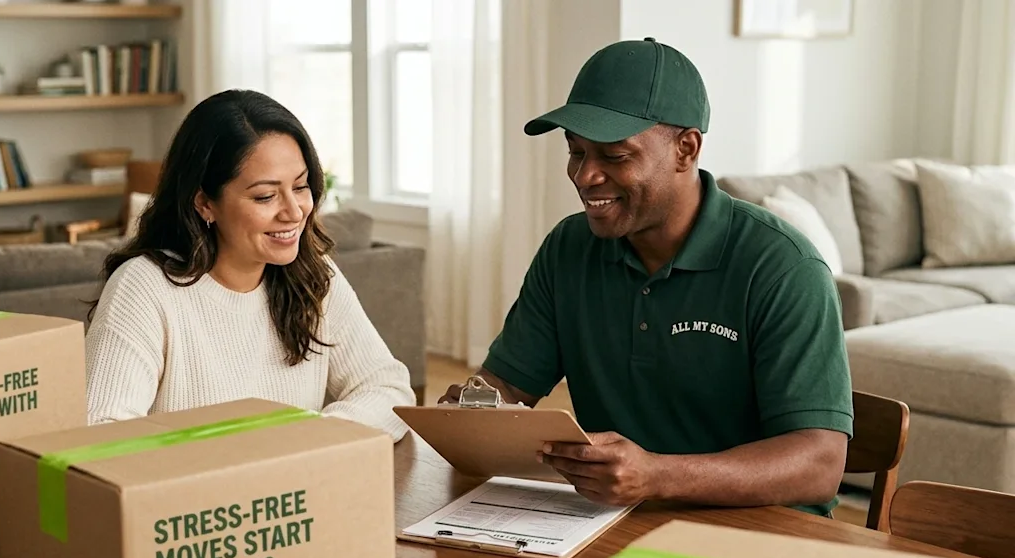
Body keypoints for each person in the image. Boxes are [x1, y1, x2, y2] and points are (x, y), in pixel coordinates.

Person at [440, 38, 853, 516]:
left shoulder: (783, 268)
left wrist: (656, 475)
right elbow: (506, 388)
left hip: (760, 537)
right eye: (576, 152)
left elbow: (820, 463)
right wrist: (475, 411)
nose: (584, 175)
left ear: (686, 148)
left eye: (614, 156)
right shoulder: (568, 248)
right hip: (609, 521)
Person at [86, 89, 414, 442]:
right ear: (205, 204)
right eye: (265, 196)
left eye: (301, 186)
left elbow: (389, 388)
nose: (294, 211)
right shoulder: (144, 287)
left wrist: (310, 438)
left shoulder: (314, 274)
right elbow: (100, 431)